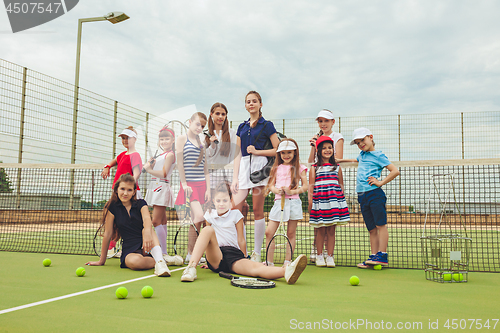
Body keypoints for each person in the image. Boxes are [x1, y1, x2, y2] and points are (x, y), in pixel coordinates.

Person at [180, 182, 307, 284]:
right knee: (207, 230)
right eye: (218, 201)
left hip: (233, 255)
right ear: (213, 201)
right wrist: (209, 259)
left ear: (230, 200)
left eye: (225, 200)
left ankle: (287, 271)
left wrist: (245, 257)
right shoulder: (209, 215)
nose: (221, 204)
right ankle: (191, 268)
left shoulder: (236, 215)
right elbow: (207, 241)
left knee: (254, 269)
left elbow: (241, 239)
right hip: (216, 256)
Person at [86, 174, 171, 277]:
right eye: (122, 189)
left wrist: (147, 232)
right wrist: (101, 261)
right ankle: (161, 260)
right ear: (116, 190)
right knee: (135, 263)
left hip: (147, 243)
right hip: (130, 248)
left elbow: (147, 219)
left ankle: (160, 263)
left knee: (147, 229)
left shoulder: (141, 203)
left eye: (129, 190)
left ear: (134, 192)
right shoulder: (112, 207)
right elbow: (108, 234)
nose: (125, 193)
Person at [232, 91, 280, 263]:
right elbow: (237, 154)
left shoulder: (267, 125)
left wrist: (257, 151)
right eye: (248, 102)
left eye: (254, 101)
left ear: (260, 104)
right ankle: (238, 251)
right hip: (243, 168)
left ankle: (257, 253)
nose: (251, 104)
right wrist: (235, 177)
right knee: (235, 210)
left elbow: (278, 149)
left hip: (260, 169)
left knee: (257, 211)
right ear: (245, 106)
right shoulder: (241, 127)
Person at [347, 128, 400, 268]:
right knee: (371, 229)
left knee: (380, 225)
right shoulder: (362, 155)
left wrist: (380, 182)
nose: (361, 144)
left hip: (375, 194)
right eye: (358, 143)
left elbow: (395, 171)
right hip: (362, 196)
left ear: (370, 137)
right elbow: (354, 159)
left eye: (362, 140)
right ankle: (374, 256)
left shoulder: (379, 155)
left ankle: (382, 255)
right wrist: (339, 160)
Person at [307, 110, 345, 263]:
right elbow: (311, 162)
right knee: (319, 226)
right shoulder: (315, 164)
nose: (323, 124)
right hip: (320, 195)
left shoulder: (338, 137)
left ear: (333, 122)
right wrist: (313, 145)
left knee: (330, 228)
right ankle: (318, 253)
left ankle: (328, 255)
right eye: (320, 121)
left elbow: (339, 159)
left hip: (333, 190)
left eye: (326, 121)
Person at [264, 139, 308, 266]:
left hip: (294, 204)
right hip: (279, 203)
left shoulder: (300, 167)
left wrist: (291, 191)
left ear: (295, 152)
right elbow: (270, 186)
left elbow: (305, 187)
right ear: (279, 154)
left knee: (290, 233)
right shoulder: (276, 168)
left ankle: (287, 262)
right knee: (269, 233)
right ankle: (269, 263)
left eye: (289, 152)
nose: (286, 155)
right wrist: (277, 190)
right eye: (283, 153)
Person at [143, 126, 183, 266]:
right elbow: (157, 169)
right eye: (162, 138)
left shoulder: (170, 155)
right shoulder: (160, 155)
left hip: (161, 186)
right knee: (162, 221)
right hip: (155, 186)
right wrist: (151, 164)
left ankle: (163, 253)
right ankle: (164, 252)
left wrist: (148, 170)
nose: (164, 141)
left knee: (155, 221)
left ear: (172, 140)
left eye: (167, 138)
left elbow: (164, 173)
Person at [308, 136, 350, 267]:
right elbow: (311, 188)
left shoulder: (337, 168)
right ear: (319, 150)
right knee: (320, 230)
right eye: (324, 148)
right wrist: (311, 204)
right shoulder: (314, 168)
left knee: (332, 231)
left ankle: (330, 256)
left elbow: (341, 186)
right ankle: (319, 256)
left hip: (334, 204)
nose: (327, 150)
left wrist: (341, 203)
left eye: (330, 147)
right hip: (320, 203)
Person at [175, 112, 210, 263]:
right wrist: (184, 184)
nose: (200, 128)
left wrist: (208, 188)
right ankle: (191, 254)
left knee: (202, 221)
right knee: (199, 217)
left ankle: (197, 254)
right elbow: (180, 163)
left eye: (202, 126)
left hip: (203, 185)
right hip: (190, 185)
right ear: (190, 122)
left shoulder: (201, 143)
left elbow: (206, 168)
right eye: (197, 124)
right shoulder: (181, 139)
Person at [101, 126, 143, 254]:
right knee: (113, 220)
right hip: (118, 194)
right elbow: (114, 161)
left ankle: (137, 247)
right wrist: (107, 166)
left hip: (130, 194)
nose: (125, 140)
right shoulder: (122, 155)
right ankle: (111, 248)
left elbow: (137, 173)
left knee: (133, 222)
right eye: (123, 138)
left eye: (128, 138)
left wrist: (129, 187)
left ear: (134, 139)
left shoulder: (135, 155)